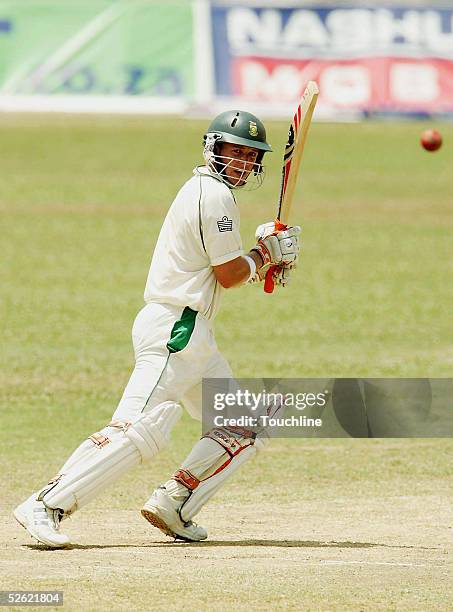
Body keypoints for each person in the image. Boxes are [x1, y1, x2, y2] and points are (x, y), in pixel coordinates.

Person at [13, 110, 300, 547]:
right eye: (234, 151)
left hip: (193, 333)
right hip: (175, 330)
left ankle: (175, 502)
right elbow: (227, 274)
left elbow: (226, 267)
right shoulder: (213, 195)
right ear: (212, 148)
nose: (241, 162)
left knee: (244, 425)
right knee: (134, 430)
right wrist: (266, 255)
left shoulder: (213, 192)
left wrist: (263, 253)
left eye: (249, 156)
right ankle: (46, 503)